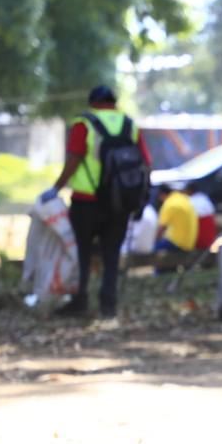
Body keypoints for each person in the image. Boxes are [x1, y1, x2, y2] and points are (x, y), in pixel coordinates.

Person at [46, 85, 152, 318]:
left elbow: (74, 158)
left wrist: (56, 188)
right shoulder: (130, 125)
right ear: (114, 102)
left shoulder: (84, 124)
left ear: (92, 102)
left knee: (81, 252)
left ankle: (80, 299)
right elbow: (146, 162)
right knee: (111, 253)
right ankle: (109, 306)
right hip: (120, 202)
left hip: (87, 201)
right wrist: (141, 198)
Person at [155, 189, 198, 254]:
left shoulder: (170, 204)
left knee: (152, 248)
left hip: (177, 244)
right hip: (189, 244)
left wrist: (154, 241)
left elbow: (161, 228)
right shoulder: (183, 199)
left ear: (162, 195)